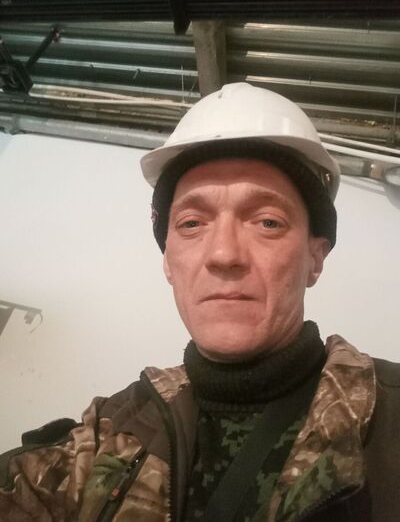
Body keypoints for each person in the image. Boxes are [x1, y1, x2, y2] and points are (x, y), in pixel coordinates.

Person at [0, 82, 399, 522]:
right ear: (169, 263)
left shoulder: (389, 421)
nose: (224, 254)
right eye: (192, 223)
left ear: (315, 259)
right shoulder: (108, 434)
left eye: (267, 222)